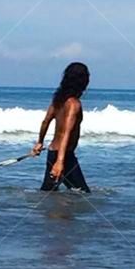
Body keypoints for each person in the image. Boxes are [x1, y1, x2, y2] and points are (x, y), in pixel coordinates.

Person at [33, 62, 90, 192]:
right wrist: (60, 162)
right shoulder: (74, 105)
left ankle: (51, 211)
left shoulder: (58, 100)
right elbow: (66, 133)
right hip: (65, 156)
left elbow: (45, 122)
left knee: (48, 192)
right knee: (83, 194)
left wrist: (39, 143)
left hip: (53, 153)